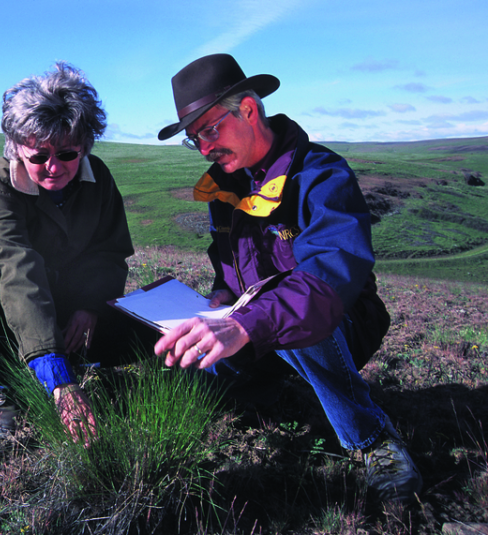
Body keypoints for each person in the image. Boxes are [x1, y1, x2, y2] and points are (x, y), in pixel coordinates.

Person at [154, 53, 423, 505]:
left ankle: (373, 438)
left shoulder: (321, 176)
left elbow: (327, 280)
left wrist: (243, 324)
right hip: (256, 324)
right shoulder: (225, 182)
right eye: (194, 139)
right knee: (192, 371)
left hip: (336, 323)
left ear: (249, 111)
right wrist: (220, 298)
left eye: (209, 130)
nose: (203, 149)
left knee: (300, 318)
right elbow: (226, 263)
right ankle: (269, 385)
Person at [0, 62, 138, 446]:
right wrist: (60, 381)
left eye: (67, 153)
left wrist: (90, 306)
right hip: (7, 305)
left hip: (69, 304)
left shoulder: (100, 180)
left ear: (85, 145)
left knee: (149, 332)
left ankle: (64, 354)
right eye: (38, 156)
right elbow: (17, 267)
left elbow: (110, 253)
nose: (54, 167)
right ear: (16, 147)